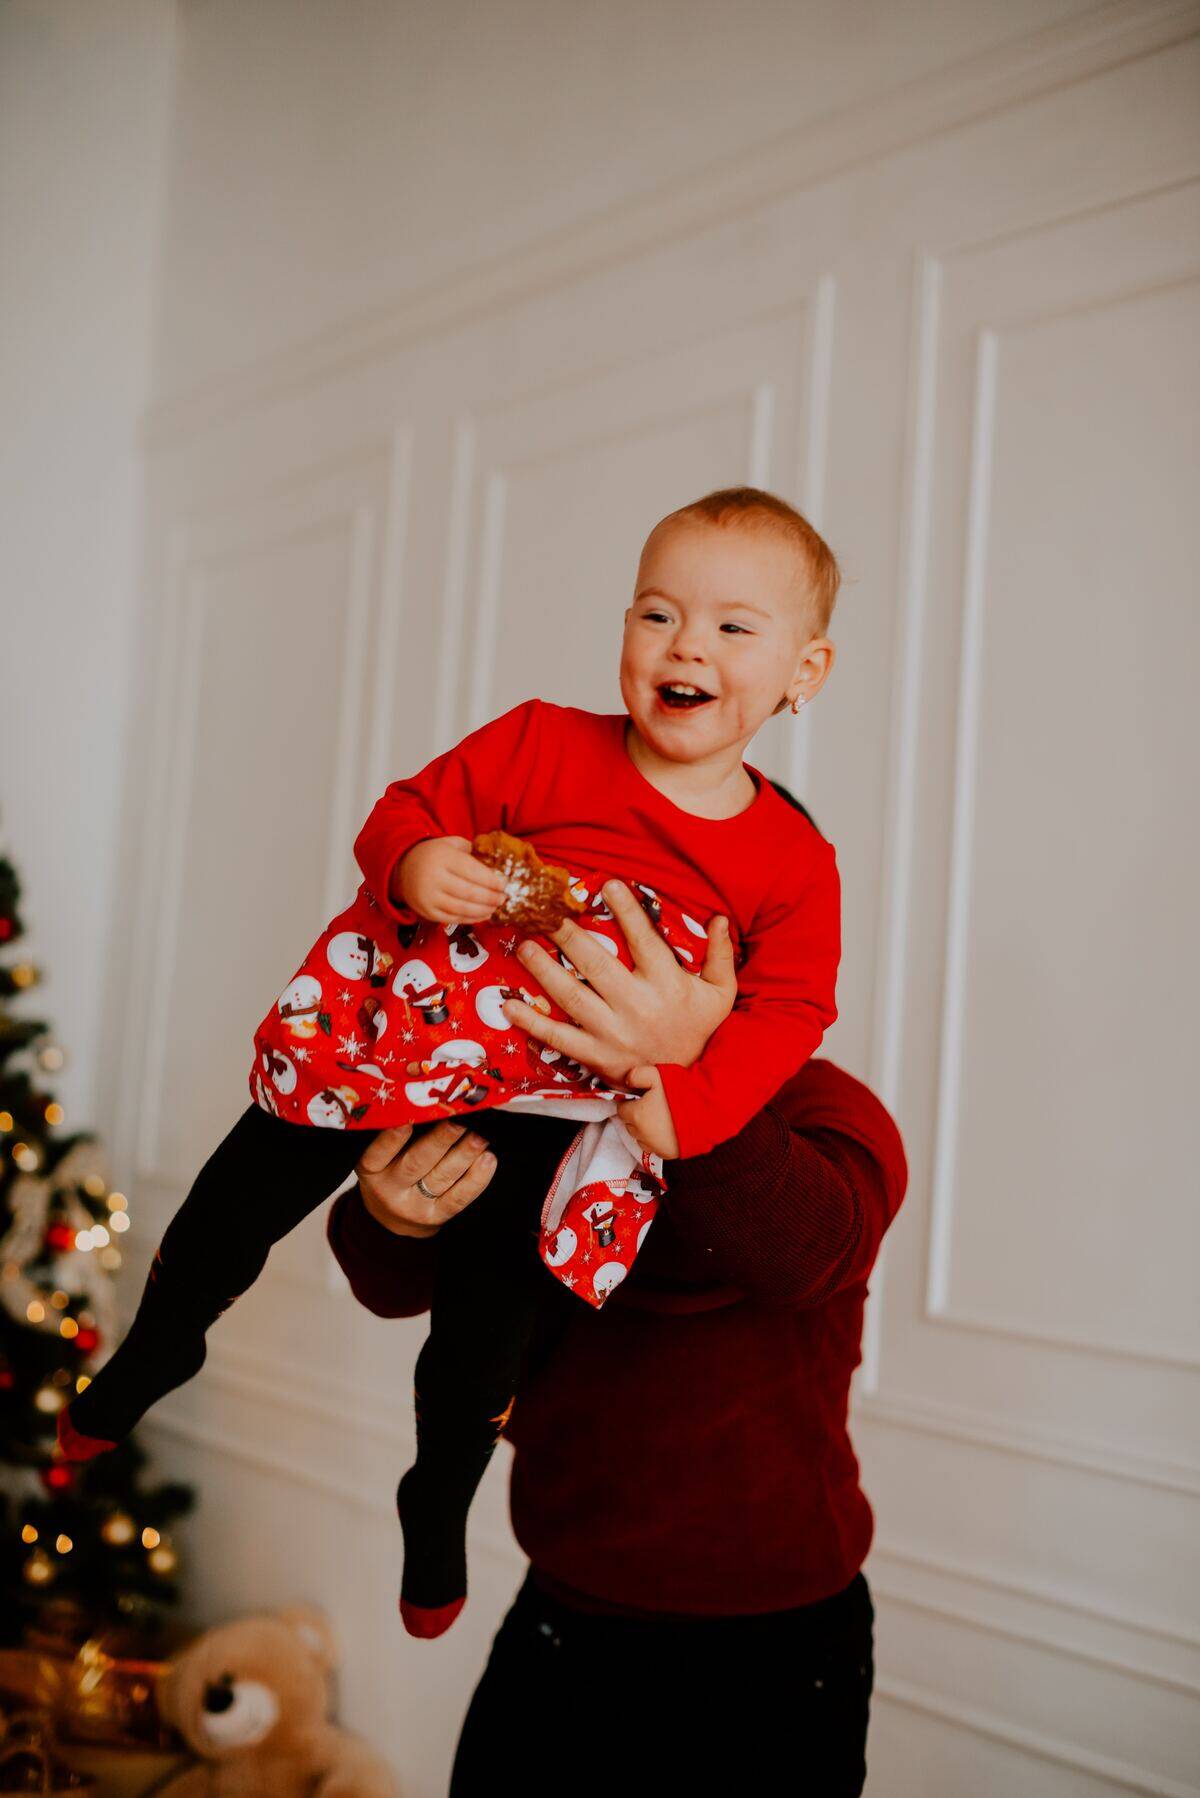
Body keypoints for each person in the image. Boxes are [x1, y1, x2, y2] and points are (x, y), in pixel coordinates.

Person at [56, 484, 843, 1643]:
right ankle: (160, 1339)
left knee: (487, 1323)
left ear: (803, 672)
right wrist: (418, 863)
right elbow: (401, 811)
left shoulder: (792, 859)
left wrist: (691, 1100)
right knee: (244, 1184)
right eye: (657, 614)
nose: (686, 647)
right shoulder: (538, 739)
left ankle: (440, 1497)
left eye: (734, 627)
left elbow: (789, 1010)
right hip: (408, 1029)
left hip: (552, 1092)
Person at [328, 844, 907, 1797]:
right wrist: (388, 1212)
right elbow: (394, 1282)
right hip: (563, 1603)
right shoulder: (537, 1095)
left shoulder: (828, 1107)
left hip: (778, 1638)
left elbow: (807, 1257)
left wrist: (683, 1076)